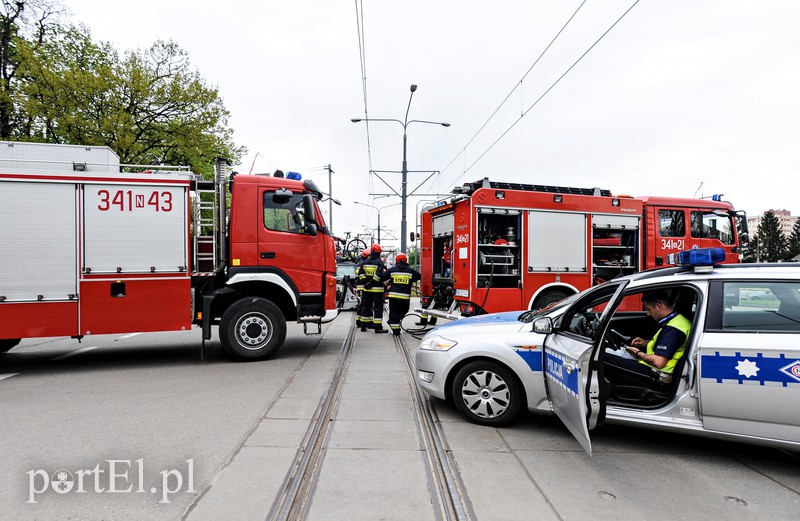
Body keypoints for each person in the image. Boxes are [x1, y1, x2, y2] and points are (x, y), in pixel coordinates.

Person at [605, 290, 691, 386]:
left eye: (648, 309)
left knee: (604, 358)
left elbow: (659, 362)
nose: (648, 314)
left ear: (659, 306)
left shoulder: (673, 329)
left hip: (657, 374)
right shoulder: (678, 321)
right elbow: (671, 345)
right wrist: (646, 343)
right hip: (655, 369)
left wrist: (637, 353)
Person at [379, 253, 421, 336]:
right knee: (404, 311)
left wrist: (388, 283)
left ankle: (394, 324)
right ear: (406, 261)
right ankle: (396, 329)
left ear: (396, 261)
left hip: (393, 296)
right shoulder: (410, 271)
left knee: (394, 313)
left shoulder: (392, 270)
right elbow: (419, 276)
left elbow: (383, 278)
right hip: (405, 297)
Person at [358, 243, 388, 333]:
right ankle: (378, 327)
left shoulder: (364, 262)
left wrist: (366, 283)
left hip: (366, 289)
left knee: (366, 307)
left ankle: (363, 326)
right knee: (378, 308)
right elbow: (379, 275)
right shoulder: (379, 262)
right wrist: (371, 283)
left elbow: (361, 274)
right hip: (377, 290)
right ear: (379, 253)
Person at [354, 248, 370, 330]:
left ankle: (359, 321)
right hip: (363, 287)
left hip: (359, 286)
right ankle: (362, 322)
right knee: (364, 305)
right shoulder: (363, 264)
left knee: (361, 304)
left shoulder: (358, 264)